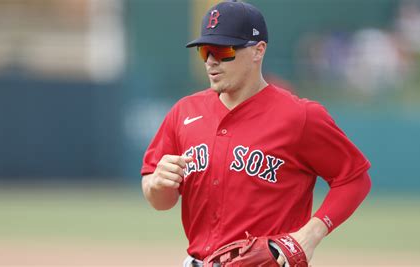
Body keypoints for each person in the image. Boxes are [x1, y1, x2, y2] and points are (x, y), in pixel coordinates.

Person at [141, 1, 371, 266]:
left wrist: (309, 236)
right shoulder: (184, 112)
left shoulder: (299, 116)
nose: (212, 62)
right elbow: (159, 198)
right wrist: (157, 185)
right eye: (205, 51)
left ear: (258, 50)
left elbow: (354, 178)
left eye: (223, 50)